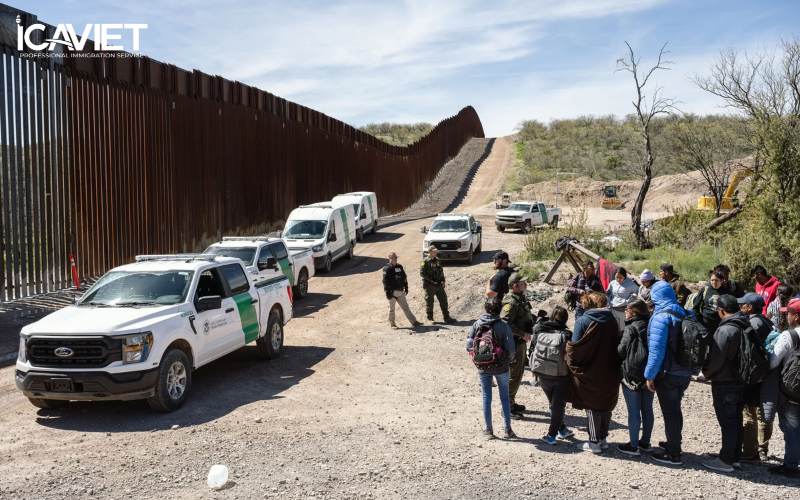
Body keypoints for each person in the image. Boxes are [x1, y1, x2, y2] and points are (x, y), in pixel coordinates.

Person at [645, 280, 699, 466]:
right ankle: (674, 443)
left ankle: (673, 454)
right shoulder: (687, 313)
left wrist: (649, 375)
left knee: (670, 413)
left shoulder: (661, 317)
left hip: (668, 374)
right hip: (686, 372)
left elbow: (656, 351)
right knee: (675, 409)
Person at [567, 291, 621, 453]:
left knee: (591, 405)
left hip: (589, 369)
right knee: (606, 404)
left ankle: (593, 441)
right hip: (610, 369)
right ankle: (603, 439)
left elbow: (575, 346)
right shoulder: (612, 320)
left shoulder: (583, 320)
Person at [701, 295, 749, 472]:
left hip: (725, 382)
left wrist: (706, 373)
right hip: (742, 380)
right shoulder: (746, 325)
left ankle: (725, 461)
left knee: (728, 423)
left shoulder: (725, 330)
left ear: (721, 311)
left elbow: (716, 358)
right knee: (736, 421)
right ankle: (735, 458)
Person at [466, 297, 517, 440]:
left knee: (486, 397)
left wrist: (477, 357)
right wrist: (508, 360)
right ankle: (507, 430)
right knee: (504, 398)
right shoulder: (503, 326)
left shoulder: (477, 324)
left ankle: (488, 430)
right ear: (500, 309)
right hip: (501, 367)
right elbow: (511, 349)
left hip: (483, 366)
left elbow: (469, 344)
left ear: (485, 308)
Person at [738, 293, 775, 462]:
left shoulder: (752, 324)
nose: (740, 307)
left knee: (749, 412)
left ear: (750, 307)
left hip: (753, 375)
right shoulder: (767, 321)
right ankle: (762, 449)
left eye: (743, 304)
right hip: (765, 373)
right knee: (763, 413)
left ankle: (750, 452)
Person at [530, 306, 575, 444]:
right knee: (558, 405)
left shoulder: (539, 329)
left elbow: (532, 349)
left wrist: (533, 369)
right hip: (560, 375)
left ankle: (562, 429)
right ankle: (551, 436)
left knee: (553, 403)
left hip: (542, 372)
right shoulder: (567, 334)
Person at [767, 298, 800, 477]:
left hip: (792, 392)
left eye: (788, 314)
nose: (787, 317)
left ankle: (791, 466)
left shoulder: (789, 335)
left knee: (792, 430)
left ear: (796, 317)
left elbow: (773, 362)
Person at [617, 299, 654, 456]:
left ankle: (633, 446)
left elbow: (621, 351)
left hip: (632, 373)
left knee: (633, 410)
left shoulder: (630, 327)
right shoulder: (652, 324)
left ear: (634, 312)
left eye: (627, 309)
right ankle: (645, 442)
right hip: (650, 373)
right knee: (647, 409)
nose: (625, 312)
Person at [501, 273, 534, 419]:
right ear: (515, 286)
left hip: (520, 342)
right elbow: (505, 323)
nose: (525, 285)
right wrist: (522, 333)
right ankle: (507, 407)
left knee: (518, 373)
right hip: (514, 343)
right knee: (514, 375)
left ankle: (511, 402)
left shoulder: (519, 299)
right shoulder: (511, 302)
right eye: (522, 283)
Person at [383, 253, 423, 329]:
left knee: (406, 307)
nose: (395, 259)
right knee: (392, 309)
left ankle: (414, 322)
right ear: (389, 259)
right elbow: (385, 281)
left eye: (396, 257)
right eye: (393, 257)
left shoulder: (399, 267)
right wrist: (387, 292)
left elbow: (404, 277)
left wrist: (406, 287)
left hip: (400, 291)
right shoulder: (387, 268)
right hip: (392, 292)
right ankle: (393, 324)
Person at [419, 246, 457, 324]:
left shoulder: (437, 260)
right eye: (433, 251)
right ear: (429, 252)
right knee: (429, 301)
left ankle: (447, 317)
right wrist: (431, 280)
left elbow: (441, 271)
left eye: (435, 251)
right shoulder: (425, 261)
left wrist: (443, 281)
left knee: (444, 300)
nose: (435, 253)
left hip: (439, 284)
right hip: (430, 285)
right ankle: (430, 318)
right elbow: (422, 273)